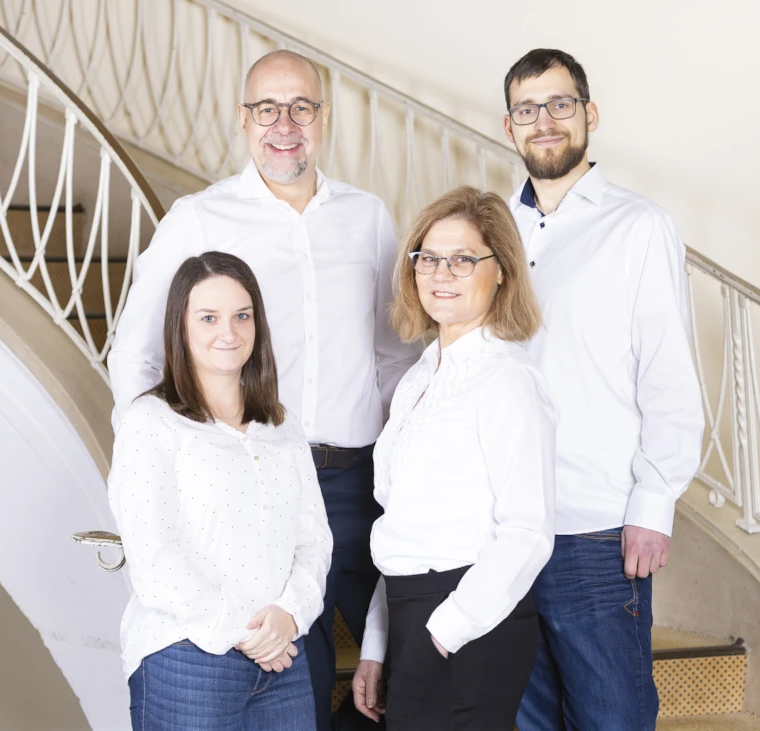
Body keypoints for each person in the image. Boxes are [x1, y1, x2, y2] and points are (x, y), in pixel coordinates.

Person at [108, 50, 420, 730]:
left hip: (359, 483)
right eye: (267, 109)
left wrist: (414, 462)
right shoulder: (199, 217)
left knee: (415, 668)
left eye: (301, 107)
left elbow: (395, 355)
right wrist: (159, 456)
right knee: (288, 668)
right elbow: (136, 350)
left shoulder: (367, 218)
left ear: (323, 118)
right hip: (256, 487)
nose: (285, 125)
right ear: (245, 121)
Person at [501, 49, 705, 730]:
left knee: (611, 718)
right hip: (505, 526)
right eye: (529, 110)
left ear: (589, 114)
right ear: (510, 128)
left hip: (596, 528)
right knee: (525, 719)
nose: (546, 122)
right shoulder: (491, 230)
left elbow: (669, 376)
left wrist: (654, 501)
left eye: (561, 104)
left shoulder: (638, 226)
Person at [351, 186, 557, 731]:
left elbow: (528, 532)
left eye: (464, 259)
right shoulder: (419, 377)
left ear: (502, 273)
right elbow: (402, 525)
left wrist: (443, 633)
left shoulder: (507, 380)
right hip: (410, 607)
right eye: (429, 258)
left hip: (468, 619)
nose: (441, 273)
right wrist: (377, 641)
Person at [108, 251, 332, 730]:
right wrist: (245, 631)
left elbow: (313, 540)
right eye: (208, 317)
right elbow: (154, 558)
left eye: (241, 316)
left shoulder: (281, 425)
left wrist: (290, 614)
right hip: (187, 659)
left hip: (282, 658)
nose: (227, 332)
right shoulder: (149, 423)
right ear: (180, 327)